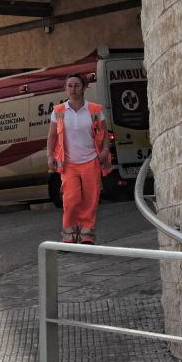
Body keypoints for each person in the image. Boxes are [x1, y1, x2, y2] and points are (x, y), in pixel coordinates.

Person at [47, 74, 111, 244]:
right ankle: (69, 233)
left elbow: (104, 133)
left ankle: (86, 234)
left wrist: (105, 150)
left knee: (90, 199)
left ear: (83, 88)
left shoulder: (95, 110)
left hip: (91, 161)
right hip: (69, 164)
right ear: (65, 89)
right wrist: (50, 156)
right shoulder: (59, 111)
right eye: (70, 86)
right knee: (71, 199)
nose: (73, 89)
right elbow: (52, 136)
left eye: (76, 85)